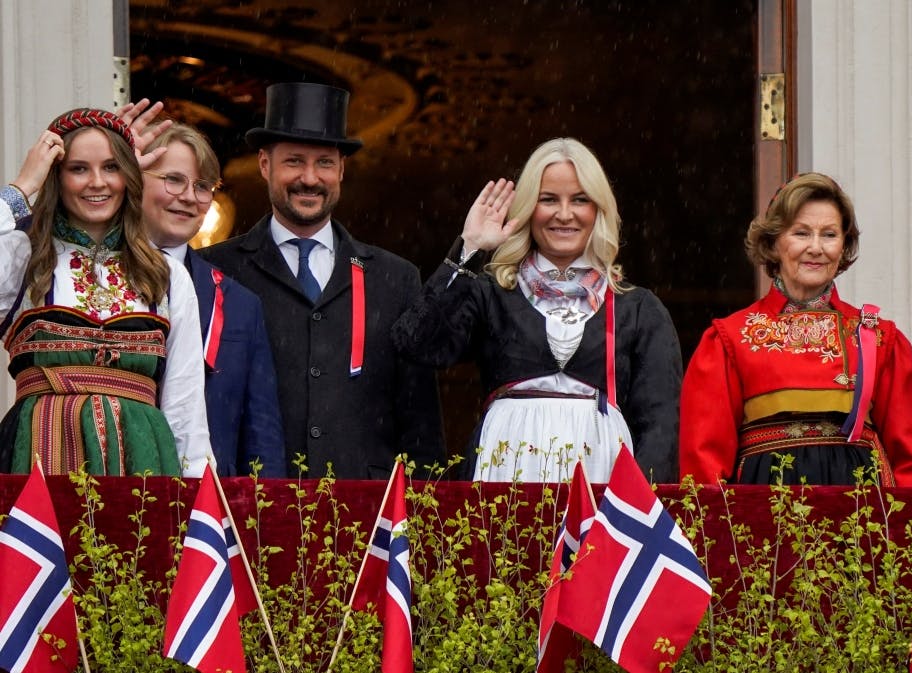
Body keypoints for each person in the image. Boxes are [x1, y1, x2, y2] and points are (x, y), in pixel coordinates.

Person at [393, 137, 682, 483]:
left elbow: (660, 425)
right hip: (503, 472)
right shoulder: (491, 292)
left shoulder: (638, 308)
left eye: (579, 199)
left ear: (598, 210)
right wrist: (469, 249)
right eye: (548, 200)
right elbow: (416, 342)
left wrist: (638, 511)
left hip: (604, 481)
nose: (564, 214)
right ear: (529, 207)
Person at [201, 82, 444, 480]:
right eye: (294, 161)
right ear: (265, 165)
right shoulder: (216, 271)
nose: (310, 178)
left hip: (369, 517)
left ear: (342, 170)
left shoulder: (395, 278)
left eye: (325, 163)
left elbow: (421, 426)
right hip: (253, 509)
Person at [678, 172, 912, 487]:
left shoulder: (881, 339)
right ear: (773, 242)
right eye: (801, 233)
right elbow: (703, 470)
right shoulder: (729, 339)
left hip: (863, 523)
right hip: (761, 521)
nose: (816, 248)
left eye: (829, 234)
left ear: (844, 245)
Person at [0, 108, 211, 477]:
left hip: (143, 466)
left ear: (129, 176)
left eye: (112, 167)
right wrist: (21, 187)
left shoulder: (167, 275)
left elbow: (185, 408)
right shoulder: (24, 257)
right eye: (79, 168)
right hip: (37, 458)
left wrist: (197, 505)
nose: (97, 182)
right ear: (56, 177)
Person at [141, 122, 286, 478]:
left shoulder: (240, 304)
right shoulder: (88, 274)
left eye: (203, 186)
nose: (190, 197)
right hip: (105, 496)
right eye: (173, 179)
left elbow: (261, 439)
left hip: (208, 516)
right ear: (135, 180)